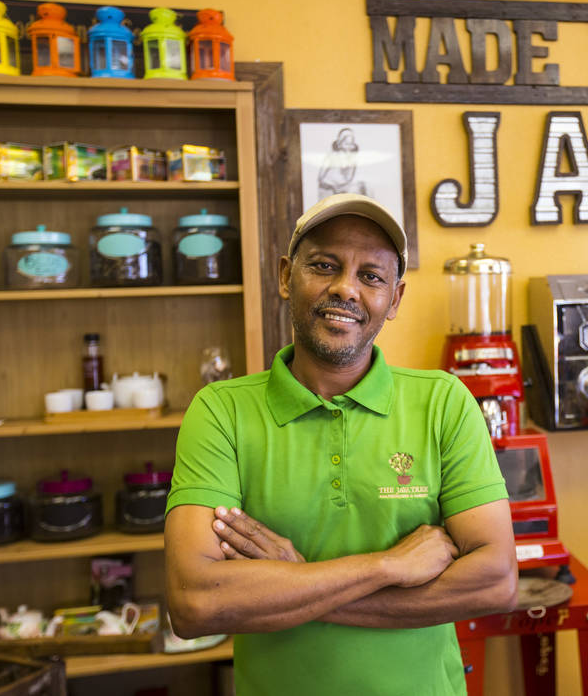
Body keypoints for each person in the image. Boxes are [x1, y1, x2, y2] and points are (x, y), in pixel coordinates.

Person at [164, 193, 517, 696]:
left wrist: (295, 582)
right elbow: (194, 602)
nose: (345, 288)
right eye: (324, 265)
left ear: (394, 300)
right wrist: (386, 566)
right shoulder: (222, 411)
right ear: (287, 276)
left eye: (370, 276)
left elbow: (495, 581)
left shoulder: (444, 403)